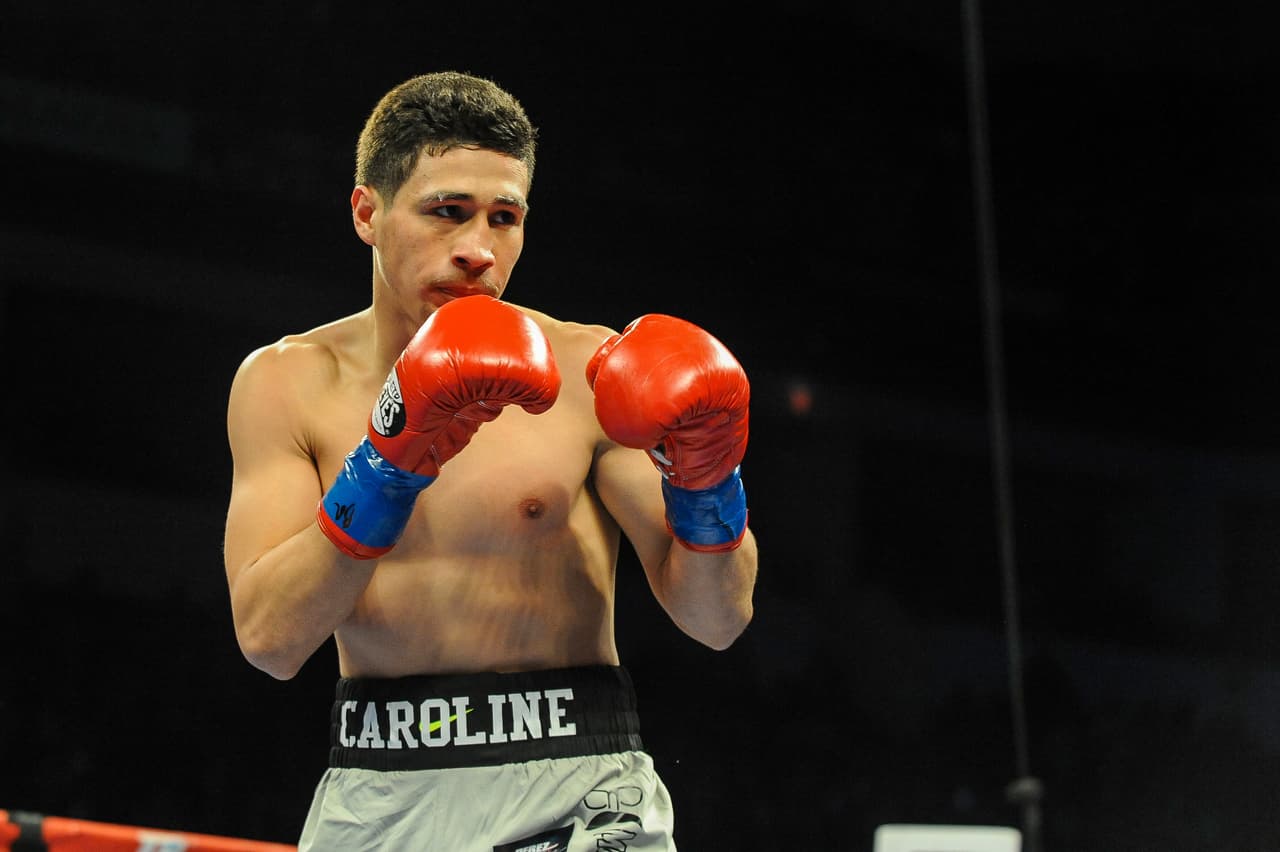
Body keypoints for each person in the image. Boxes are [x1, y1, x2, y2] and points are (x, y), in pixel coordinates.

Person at [222, 70, 758, 851]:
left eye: (504, 218)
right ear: (367, 212)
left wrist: (707, 478)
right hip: (381, 791)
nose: (478, 250)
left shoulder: (587, 369)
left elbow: (719, 621)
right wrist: (391, 462)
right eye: (447, 212)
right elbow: (270, 642)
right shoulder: (284, 384)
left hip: (578, 782)